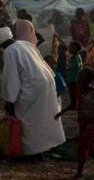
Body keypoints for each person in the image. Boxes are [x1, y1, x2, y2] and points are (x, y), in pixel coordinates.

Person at [1, 26, 65, 157]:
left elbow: (11, 78)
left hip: (33, 87)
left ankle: (32, 152)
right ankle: (46, 147)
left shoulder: (9, 51)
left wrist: (9, 101)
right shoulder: (25, 44)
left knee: (28, 119)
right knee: (44, 117)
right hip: (46, 81)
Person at [55, 67, 94, 179]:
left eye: (81, 76)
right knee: (90, 146)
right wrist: (61, 113)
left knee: (82, 147)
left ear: (88, 79)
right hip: (82, 122)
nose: (78, 77)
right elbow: (73, 104)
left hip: (93, 123)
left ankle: (79, 172)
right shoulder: (78, 90)